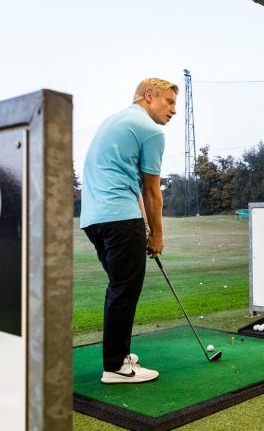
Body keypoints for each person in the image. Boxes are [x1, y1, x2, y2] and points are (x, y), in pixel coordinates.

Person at [80, 78, 178, 384]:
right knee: (125, 290)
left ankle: (118, 352)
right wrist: (158, 235)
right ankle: (116, 368)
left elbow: (129, 180)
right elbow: (152, 191)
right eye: (169, 102)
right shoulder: (151, 131)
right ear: (149, 97)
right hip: (120, 218)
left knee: (118, 287)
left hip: (95, 219)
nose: (173, 110)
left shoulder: (117, 121)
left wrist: (144, 225)